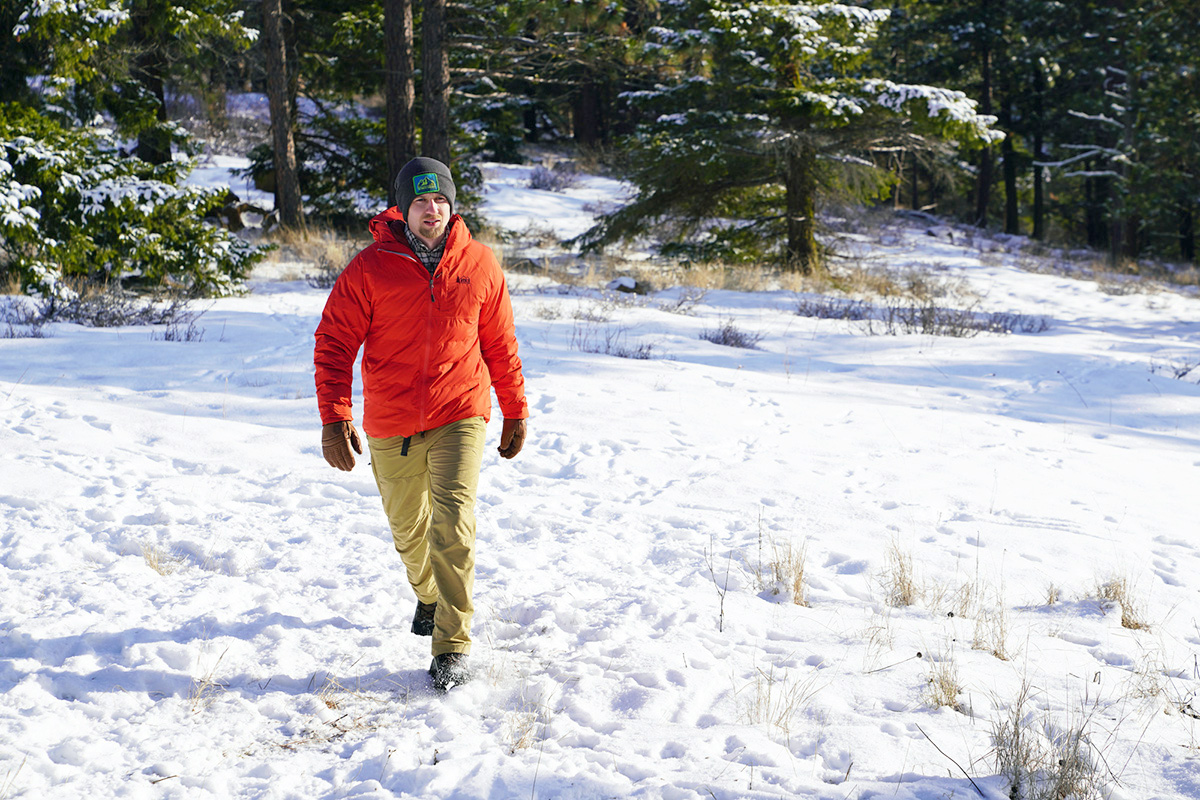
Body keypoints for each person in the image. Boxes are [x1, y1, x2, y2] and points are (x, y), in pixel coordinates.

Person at [314, 156, 528, 692]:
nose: (431, 211)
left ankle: (452, 645)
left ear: (452, 207)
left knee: (452, 523)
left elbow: (500, 344)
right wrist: (334, 416)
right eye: (419, 202)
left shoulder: (479, 263)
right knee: (409, 530)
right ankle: (428, 595)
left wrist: (515, 408)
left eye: (440, 201)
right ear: (402, 209)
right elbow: (335, 344)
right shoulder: (370, 268)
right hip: (392, 418)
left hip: (461, 410)